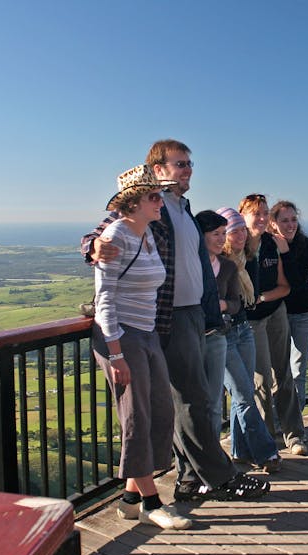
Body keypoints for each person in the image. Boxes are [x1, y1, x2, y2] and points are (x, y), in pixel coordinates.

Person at [82, 140, 269, 502]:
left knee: (183, 403)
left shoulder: (182, 208)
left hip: (194, 314)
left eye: (189, 163)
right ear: (158, 169)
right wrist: (91, 247)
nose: (188, 169)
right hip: (172, 316)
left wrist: (209, 314)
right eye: (179, 164)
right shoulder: (154, 206)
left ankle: (176, 483)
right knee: (193, 400)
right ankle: (217, 477)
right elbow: (103, 230)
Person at [91, 164, 191, 530]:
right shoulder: (116, 237)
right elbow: (104, 300)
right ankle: (151, 503)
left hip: (147, 333)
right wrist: (116, 354)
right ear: (132, 203)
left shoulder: (148, 233)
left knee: (161, 412)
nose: (160, 201)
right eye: (153, 196)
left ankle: (130, 498)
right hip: (122, 337)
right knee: (137, 417)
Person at [239, 194, 308, 456]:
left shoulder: (271, 244)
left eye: (265, 213)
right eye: (256, 213)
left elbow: (284, 286)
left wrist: (261, 297)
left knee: (283, 374)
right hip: (250, 321)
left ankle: (294, 435)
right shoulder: (236, 244)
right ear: (242, 215)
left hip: (274, 312)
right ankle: (266, 442)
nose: (261, 218)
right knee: (261, 381)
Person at [215, 207, 282, 473]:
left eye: (242, 229)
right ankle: (266, 452)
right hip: (222, 335)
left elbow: (243, 303)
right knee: (244, 394)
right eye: (233, 231)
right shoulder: (216, 264)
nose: (240, 234)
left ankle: (240, 452)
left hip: (244, 329)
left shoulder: (246, 259)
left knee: (242, 394)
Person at [269, 200, 308, 410]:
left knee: (297, 371)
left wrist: (285, 252)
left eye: (294, 220)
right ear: (273, 223)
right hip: (275, 315)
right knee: (274, 372)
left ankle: (295, 425)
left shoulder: (307, 246)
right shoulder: (266, 246)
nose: (291, 225)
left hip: (303, 314)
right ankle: (276, 424)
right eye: (284, 220)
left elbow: (297, 283)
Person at [195, 210, 229, 441]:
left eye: (224, 233)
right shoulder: (190, 265)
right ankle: (190, 465)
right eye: (215, 233)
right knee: (193, 403)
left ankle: (214, 459)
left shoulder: (227, 266)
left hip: (216, 335)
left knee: (215, 402)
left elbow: (237, 302)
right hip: (191, 336)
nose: (222, 239)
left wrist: (223, 305)